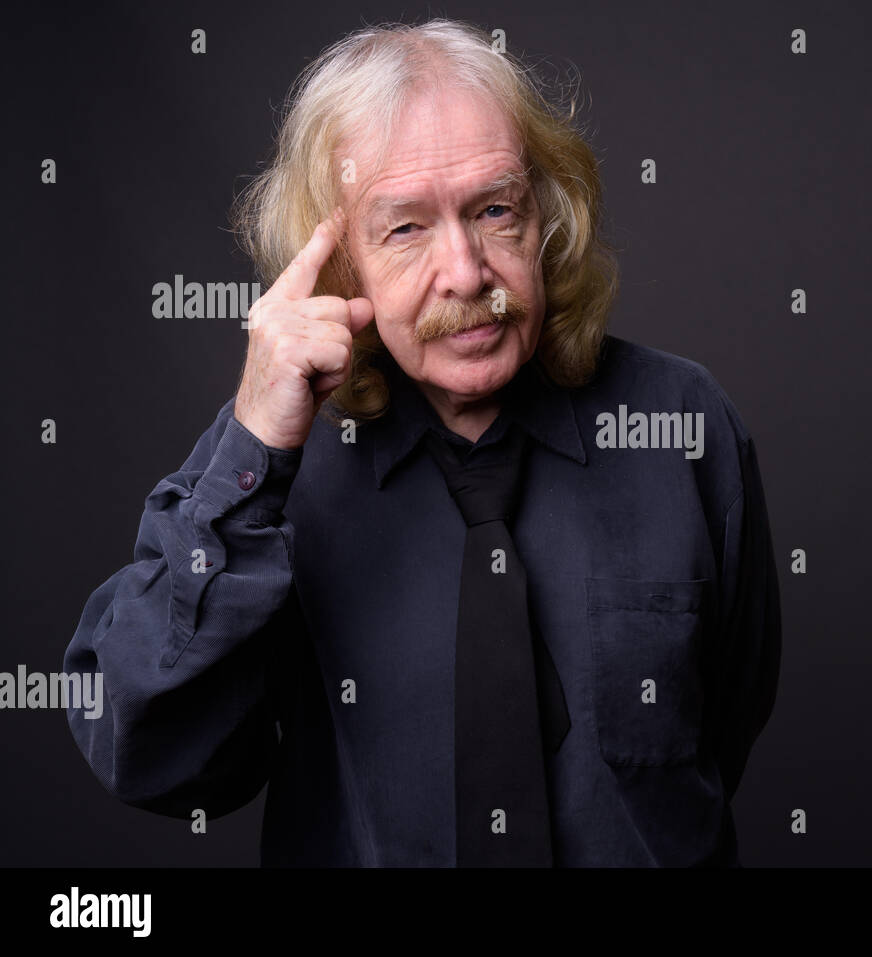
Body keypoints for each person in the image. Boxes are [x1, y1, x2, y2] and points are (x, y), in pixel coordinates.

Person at [63, 17, 781, 867]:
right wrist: (254, 445)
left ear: (545, 216)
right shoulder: (267, 466)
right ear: (339, 266)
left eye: (494, 210)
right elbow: (145, 749)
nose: (468, 272)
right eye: (404, 229)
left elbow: (724, 727)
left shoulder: (683, 425)